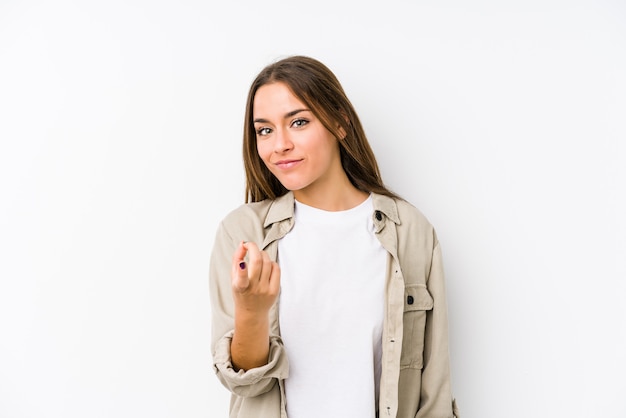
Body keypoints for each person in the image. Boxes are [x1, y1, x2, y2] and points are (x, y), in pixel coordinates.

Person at [209, 55, 459, 418]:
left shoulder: (408, 230)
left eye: (298, 122)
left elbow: (434, 388)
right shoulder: (244, 232)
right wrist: (251, 311)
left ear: (340, 123)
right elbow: (246, 383)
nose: (279, 144)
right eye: (264, 130)